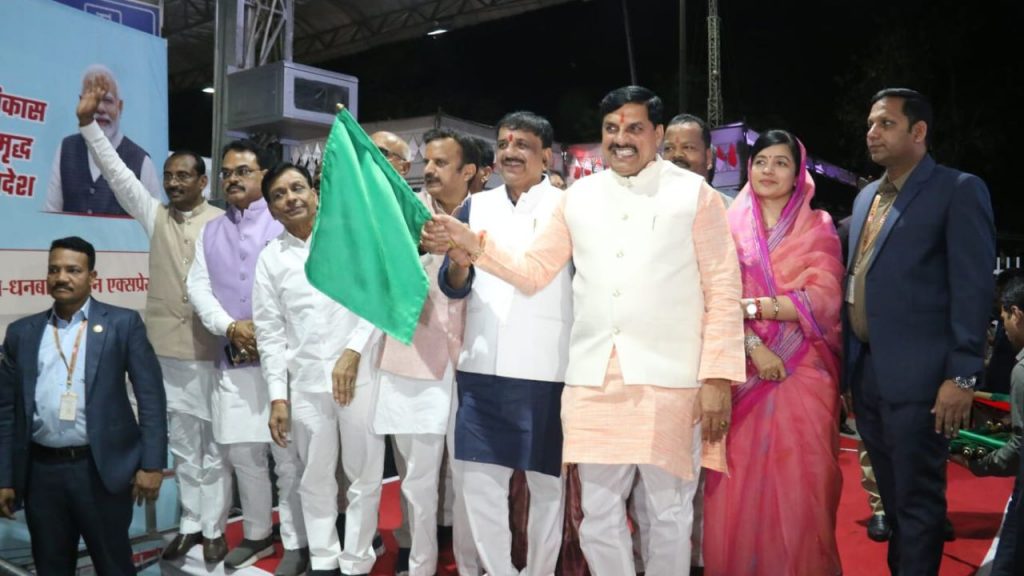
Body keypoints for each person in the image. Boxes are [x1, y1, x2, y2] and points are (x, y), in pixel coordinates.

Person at [435, 85, 744, 575]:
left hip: (671, 380)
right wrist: (474, 246)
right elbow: (535, 269)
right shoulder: (577, 197)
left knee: (667, 512)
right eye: (611, 130)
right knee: (597, 516)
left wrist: (717, 379)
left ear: (658, 134)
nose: (621, 140)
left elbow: (724, 289)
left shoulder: (696, 196)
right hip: (593, 381)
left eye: (635, 129)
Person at [74, 76, 232, 563]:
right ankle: (189, 522)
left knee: (216, 443)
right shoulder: (155, 215)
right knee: (182, 441)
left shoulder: (225, 222)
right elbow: (119, 174)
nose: (174, 183)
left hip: (215, 350)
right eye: (168, 176)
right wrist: (88, 125)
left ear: (202, 181)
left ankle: (215, 527)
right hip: (166, 349)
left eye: (184, 176)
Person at [845, 88, 995, 575]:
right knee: (892, 503)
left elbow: (971, 290)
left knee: (919, 503)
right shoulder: (868, 194)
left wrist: (963, 376)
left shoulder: (958, 189)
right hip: (866, 374)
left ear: (919, 131)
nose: (873, 132)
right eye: (870, 123)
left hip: (925, 381)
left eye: (886, 123)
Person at [702, 129, 844, 575]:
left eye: (781, 162)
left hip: (804, 372)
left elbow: (824, 299)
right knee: (739, 487)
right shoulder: (726, 225)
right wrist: (753, 345)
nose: (769, 170)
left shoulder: (818, 227)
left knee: (801, 487)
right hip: (739, 369)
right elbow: (711, 296)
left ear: (798, 172)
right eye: (761, 160)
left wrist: (750, 307)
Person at [438, 111, 572, 576]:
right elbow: (455, 285)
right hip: (481, 365)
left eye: (524, 145)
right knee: (477, 484)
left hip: (547, 367)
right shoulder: (476, 207)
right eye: (504, 144)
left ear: (547, 156)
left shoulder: (568, 207)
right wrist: (458, 261)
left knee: (547, 488)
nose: (511, 152)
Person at [0, 236, 167, 574]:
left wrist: (152, 464)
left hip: (100, 471)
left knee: (113, 565)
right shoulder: (21, 333)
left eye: (73, 270)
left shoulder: (122, 324)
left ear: (93, 277)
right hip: (41, 473)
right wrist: (5, 477)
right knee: (51, 565)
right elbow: (6, 413)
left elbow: (150, 397)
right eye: (54, 270)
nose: (62, 277)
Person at [253, 163, 384, 576]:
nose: (290, 198)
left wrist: (352, 352)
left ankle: (357, 560)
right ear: (272, 210)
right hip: (307, 384)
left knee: (364, 475)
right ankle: (325, 559)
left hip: (359, 376)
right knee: (315, 477)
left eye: (297, 188)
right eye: (278, 194)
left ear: (314, 193)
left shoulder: (349, 239)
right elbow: (270, 333)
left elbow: (376, 298)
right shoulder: (270, 260)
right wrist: (278, 396)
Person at [187, 141, 307, 572]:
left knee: (287, 456)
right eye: (226, 173)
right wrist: (230, 326)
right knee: (243, 454)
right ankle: (258, 533)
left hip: (284, 360)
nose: (233, 179)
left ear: (262, 176)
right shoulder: (212, 229)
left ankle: (297, 540)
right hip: (232, 357)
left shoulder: (283, 224)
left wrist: (266, 329)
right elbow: (197, 286)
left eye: (243, 171)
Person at [375, 126, 478, 576]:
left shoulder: (493, 213)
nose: (428, 170)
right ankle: (419, 565)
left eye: (440, 163)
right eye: (427, 162)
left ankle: (472, 565)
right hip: (414, 354)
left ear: (469, 171)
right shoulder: (402, 213)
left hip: (478, 360)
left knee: (473, 478)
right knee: (416, 480)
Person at [45, 65, 161, 215]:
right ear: (80, 102)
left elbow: (155, 222)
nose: (99, 108)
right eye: (92, 99)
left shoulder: (141, 161)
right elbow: (51, 212)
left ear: (120, 106)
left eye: (107, 100)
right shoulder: (66, 148)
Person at [663, 113, 729, 207]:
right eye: (668, 148)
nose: (677, 154)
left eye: (688, 147)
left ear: (708, 157)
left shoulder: (732, 211)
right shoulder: (648, 208)